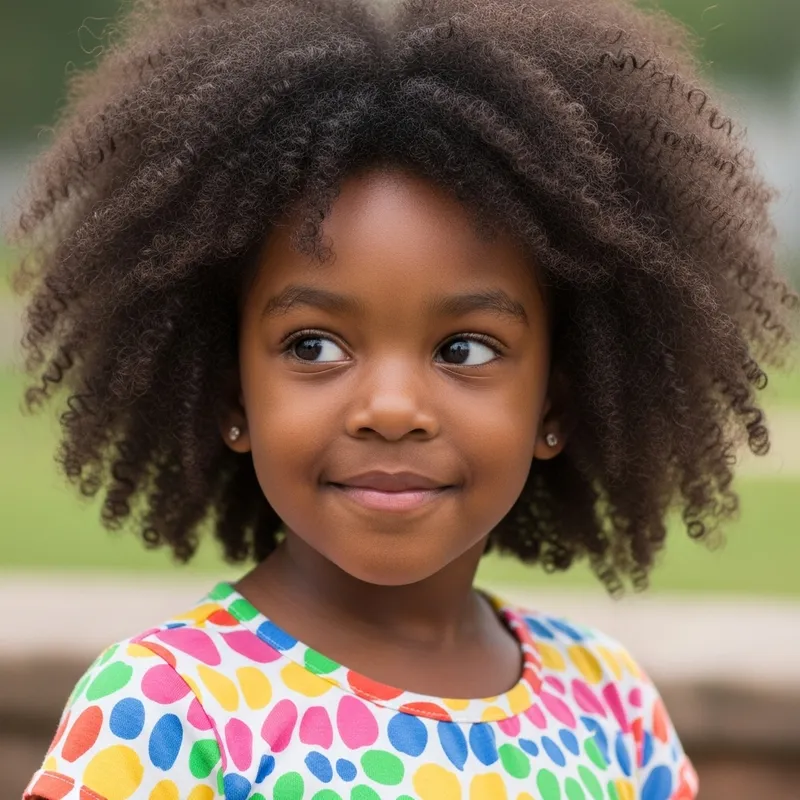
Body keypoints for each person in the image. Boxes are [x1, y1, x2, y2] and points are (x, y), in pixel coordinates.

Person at [12, 0, 798, 797]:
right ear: (229, 392)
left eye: (465, 349)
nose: (391, 408)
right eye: (312, 345)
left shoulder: (610, 704)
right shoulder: (167, 713)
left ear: (554, 408)